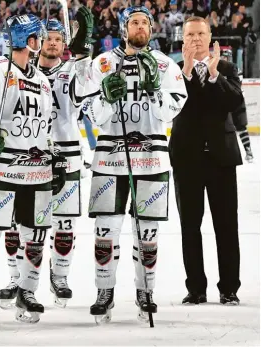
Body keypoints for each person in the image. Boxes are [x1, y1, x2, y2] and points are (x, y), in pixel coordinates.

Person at [79, 6, 187, 322]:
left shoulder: (166, 65)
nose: (140, 27)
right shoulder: (102, 63)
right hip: (110, 159)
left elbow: (171, 112)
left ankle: (146, 291)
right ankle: (105, 290)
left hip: (152, 159)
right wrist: (105, 100)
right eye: (133, 22)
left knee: (148, 234)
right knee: (105, 231)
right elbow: (90, 112)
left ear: (151, 29)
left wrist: (154, 93)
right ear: (124, 29)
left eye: (144, 23)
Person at [0, 13, 66, 325]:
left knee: (35, 234)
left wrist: (55, 158)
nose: (42, 42)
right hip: (0, 168)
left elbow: (45, 128)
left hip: (36, 171)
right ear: (25, 39)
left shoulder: (42, 81)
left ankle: (27, 291)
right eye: (37, 36)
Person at [0, 10, 94, 309]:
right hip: (28, 158)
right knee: (18, 223)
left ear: (65, 43)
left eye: (58, 39)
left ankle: (60, 276)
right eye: (47, 38)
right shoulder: (22, 72)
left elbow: (84, 94)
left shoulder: (71, 72)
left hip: (66, 156)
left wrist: (83, 57)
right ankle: (17, 277)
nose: (52, 43)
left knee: (64, 223)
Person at [169, 16, 244, 306]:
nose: (196, 39)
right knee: (190, 225)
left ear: (210, 36)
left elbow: (233, 102)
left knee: (226, 225)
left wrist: (214, 77)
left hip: (221, 158)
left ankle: (229, 288)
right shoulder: (174, 72)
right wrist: (187, 73)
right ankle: (196, 289)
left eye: (201, 33)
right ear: (183, 39)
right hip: (187, 159)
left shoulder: (226, 68)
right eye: (191, 35)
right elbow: (173, 106)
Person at [220, 48, 254, 163]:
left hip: (236, 101)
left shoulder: (233, 69)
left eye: (227, 57)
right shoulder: (221, 69)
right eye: (224, 57)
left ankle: (248, 151)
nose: (225, 59)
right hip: (227, 102)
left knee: (241, 127)